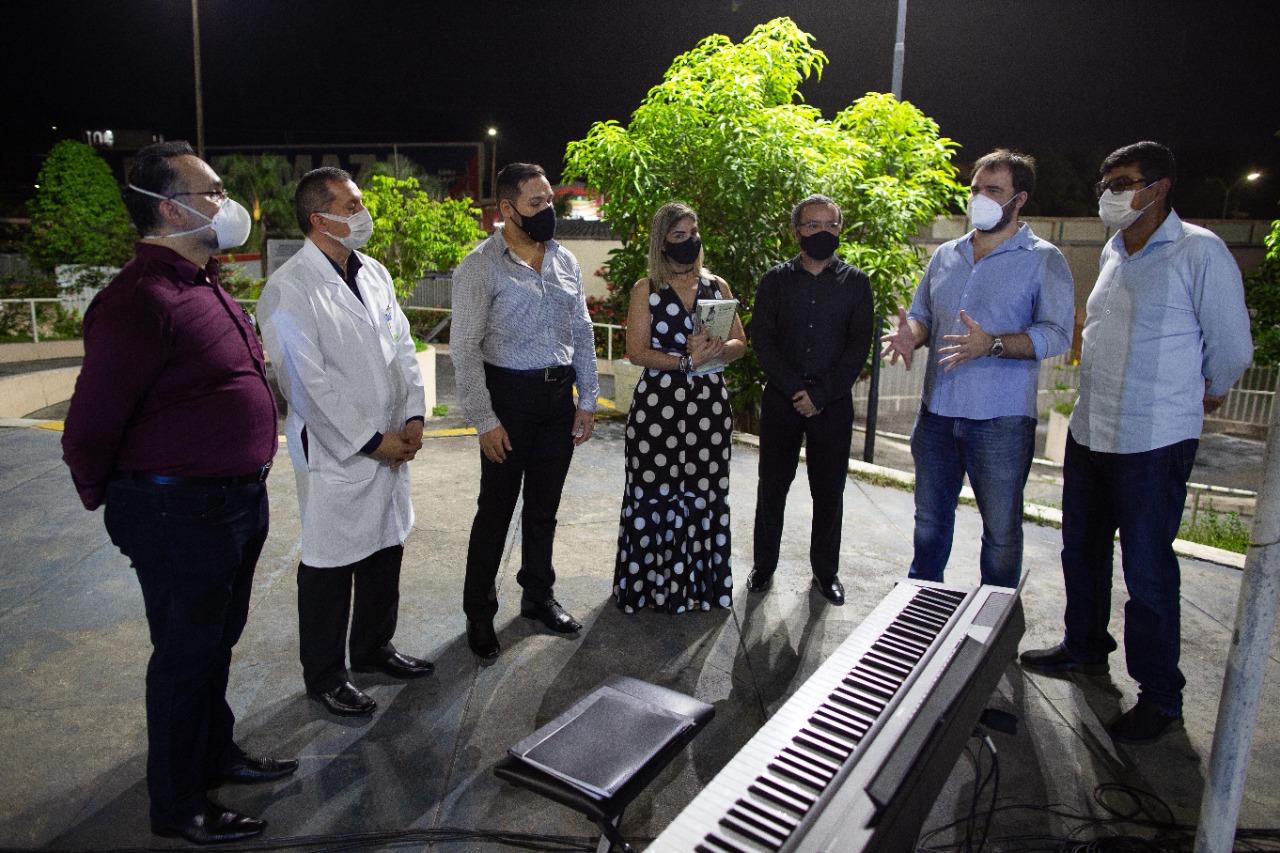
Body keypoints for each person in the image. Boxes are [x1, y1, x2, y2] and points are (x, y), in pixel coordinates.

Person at [61, 140, 295, 845]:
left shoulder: (204, 281)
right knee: (185, 655)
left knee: (214, 644)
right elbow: (90, 425)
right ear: (169, 208)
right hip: (178, 511)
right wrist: (120, 503)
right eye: (213, 192)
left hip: (230, 502)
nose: (228, 205)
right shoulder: (139, 300)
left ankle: (214, 753)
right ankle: (178, 802)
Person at [1020, 141, 1253, 744]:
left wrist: (1208, 393)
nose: (1110, 193)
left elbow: (1230, 346)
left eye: (1124, 181)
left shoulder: (1199, 251)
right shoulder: (1114, 252)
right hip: (1095, 430)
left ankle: (1160, 695)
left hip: (1154, 439)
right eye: (1106, 182)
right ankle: (1085, 647)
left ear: (1160, 187)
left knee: (1147, 569)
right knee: (1081, 551)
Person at [257, 167, 434, 718]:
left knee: (385, 547)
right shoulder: (290, 288)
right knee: (330, 563)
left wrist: (412, 416)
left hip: (391, 441)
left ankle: (374, 649)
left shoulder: (373, 273)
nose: (363, 214)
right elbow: (305, 384)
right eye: (352, 205)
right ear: (320, 218)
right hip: (338, 452)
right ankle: (326, 675)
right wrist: (367, 441)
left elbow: (402, 346)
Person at [880, 150, 1074, 589]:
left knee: (1001, 532)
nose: (979, 198)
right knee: (929, 522)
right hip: (936, 414)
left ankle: (994, 616)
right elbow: (923, 314)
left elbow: (1057, 333)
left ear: (1019, 198)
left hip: (1000, 421)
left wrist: (995, 344)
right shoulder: (946, 255)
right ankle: (920, 601)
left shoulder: (1044, 259)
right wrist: (913, 333)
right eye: (975, 189)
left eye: (993, 190)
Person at [451, 163, 600, 660]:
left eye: (549, 200)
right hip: (508, 401)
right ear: (507, 210)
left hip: (559, 400)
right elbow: (465, 349)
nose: (547, 211)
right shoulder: (479, 266)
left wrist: (586, 399)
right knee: (494, 512)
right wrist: (485, 420)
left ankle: (537, 596)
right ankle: (478, 613)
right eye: (536, 204)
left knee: (543, 510)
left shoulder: (564, 261)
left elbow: (581, 332)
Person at [614, 202, 746, 613]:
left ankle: (699, 589)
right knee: (653, 494)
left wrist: (717, 349)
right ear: (662, 242)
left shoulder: (717, 287)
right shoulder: (645, 290)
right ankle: (649, 589)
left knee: (705, 495)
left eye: (694, 232)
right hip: (658, 408)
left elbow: (740, 345)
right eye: (679, 235)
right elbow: (637, 352)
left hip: (709, 408)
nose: (690, 241)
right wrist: (687, 362)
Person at [748, 195, 874, 605]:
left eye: (831, 225)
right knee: (772, 488)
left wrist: (819, 395)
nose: (823, 232)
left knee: (829, 491)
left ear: (840, 229)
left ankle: (826, 573)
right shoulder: (774, 281)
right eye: (813, 225)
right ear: (796, 231)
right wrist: (795, 391)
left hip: (832, 404)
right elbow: (762, 340)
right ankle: (763, 567)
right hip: (783, 401)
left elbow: (859, 347)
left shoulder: (857, 284)